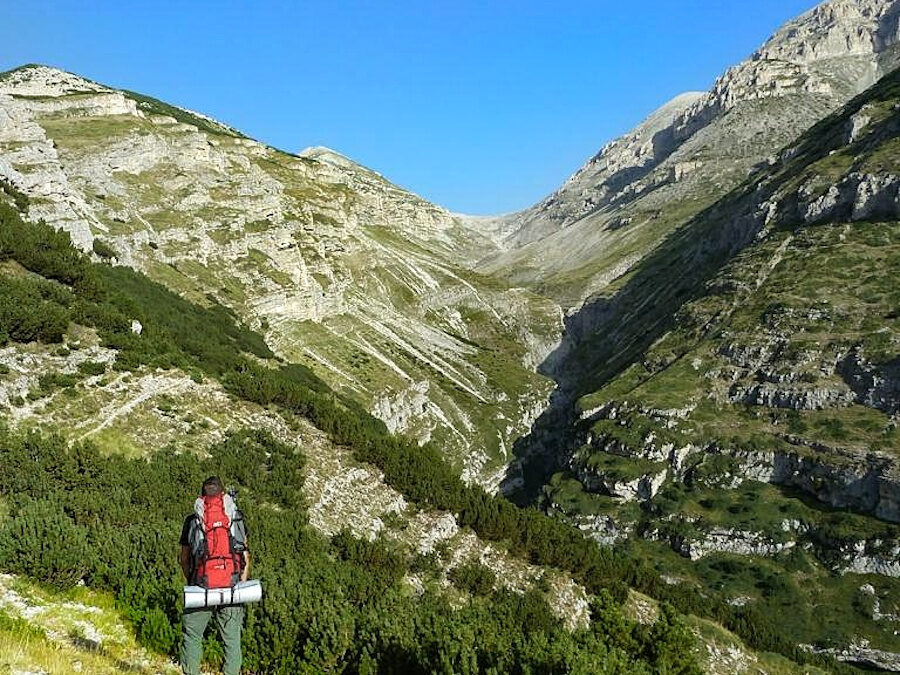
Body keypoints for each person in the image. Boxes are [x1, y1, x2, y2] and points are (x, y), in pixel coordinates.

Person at [179, 476, 251, 675]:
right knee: (232, 641)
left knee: (192, 637)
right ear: (223, 493)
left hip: (201, 586)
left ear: (202, 495)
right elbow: (244, 554)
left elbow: (183, 559)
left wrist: (193, 579)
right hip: (231, 585)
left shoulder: (193, 519)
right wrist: (239, 583)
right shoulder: (235, 516)